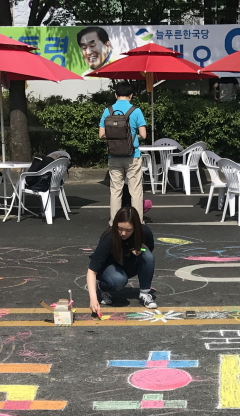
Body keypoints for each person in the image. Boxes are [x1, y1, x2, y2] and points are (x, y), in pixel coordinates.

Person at [86, 206, 157, 316]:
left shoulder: (145, 232)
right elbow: (92, 271)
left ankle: (144, 294)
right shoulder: (109, 238)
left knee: (148, 256)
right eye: (120, 229)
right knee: (118, 281)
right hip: (107, 267)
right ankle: (102, 288)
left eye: (128, 230)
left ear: (136, 228)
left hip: (125, 263)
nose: (123, 233)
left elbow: (149, 249)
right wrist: (93, 299)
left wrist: (139, 249)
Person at [99, 82, 147, 224]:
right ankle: (137, 222)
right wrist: (132, 137)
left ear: (115, 95)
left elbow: (101, 134)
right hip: (132, 155)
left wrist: (116, 137)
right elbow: (143, 135)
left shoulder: (107, 111)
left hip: (114, 155)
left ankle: (114, 221)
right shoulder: (136, 111)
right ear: (131, 95)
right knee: (135, 190)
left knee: (115, 190)